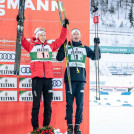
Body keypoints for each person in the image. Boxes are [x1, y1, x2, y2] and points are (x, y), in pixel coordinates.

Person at [21, 18, 69, 131]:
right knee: (36, 105)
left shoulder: (50, 46)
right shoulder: (31, 46)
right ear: (37, 36)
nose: (43, 37)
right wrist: (20, 24)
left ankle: (46, 128)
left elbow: (61, 39)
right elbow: (22, 40)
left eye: (44, 35)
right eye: (41, 35)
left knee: (48, 106)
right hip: (37, 80)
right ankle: (35, 129)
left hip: (48, 80)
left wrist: (64, 27)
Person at [56, 28, 101, 134]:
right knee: (69, 104)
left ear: (80, 36)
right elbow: (59, 58)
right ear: (71, 36)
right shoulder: (67, 47)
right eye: (74, 34)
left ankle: (77, 126)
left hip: (80, 79)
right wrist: (62, 46)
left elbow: (96, 56)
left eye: (77, 34)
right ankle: (70, 126)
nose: (76, 35)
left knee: (80, 104)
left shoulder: (84, 48)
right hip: (70, 79)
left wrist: (96, 45)